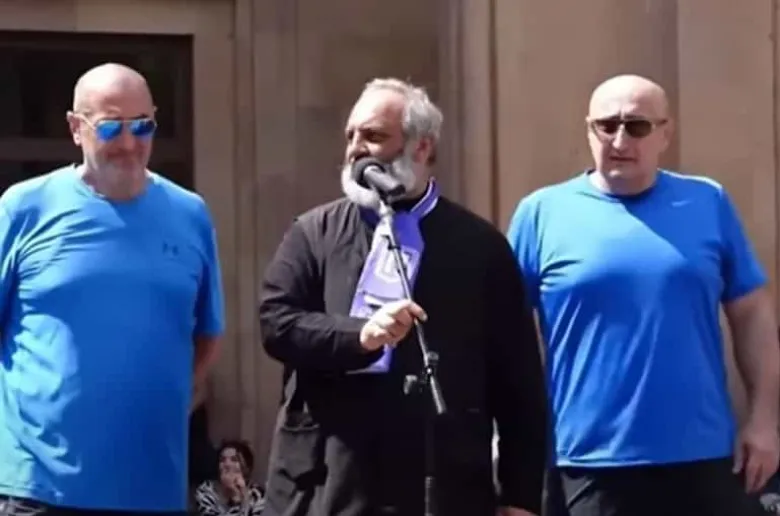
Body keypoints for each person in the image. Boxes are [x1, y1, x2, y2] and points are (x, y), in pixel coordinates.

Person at [258, 77, 548, 516]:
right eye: (351, 136)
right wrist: (359, 335)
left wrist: (520, 497)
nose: (356, 149)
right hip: (327, 482)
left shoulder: (480, 247)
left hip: (443, 486)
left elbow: (518, 381)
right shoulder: (314, 232)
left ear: (422, 148)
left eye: (373, 136)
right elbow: (277, 322)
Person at [507, 74, 780, 516]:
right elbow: (503, 337)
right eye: (606, 125)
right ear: (588, 130)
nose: (620, 141)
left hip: (701, 458)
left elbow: (751, 313)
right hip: (587, 462)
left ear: (665, 134)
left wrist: (764, 422)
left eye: (637, 126)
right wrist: (511, 452)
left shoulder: (707, 202)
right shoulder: (541, 213)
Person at [0, 63, 225, 515]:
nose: (128, 143)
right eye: (110, 127)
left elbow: (207, 336)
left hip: (152, 486)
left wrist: (168, 399)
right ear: (75, 128)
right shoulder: (23, 208)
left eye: (142, 126)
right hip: (38, 488)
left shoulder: (190, 214)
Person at [194, 440, 266, 516]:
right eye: (222, 460)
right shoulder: (206, 490)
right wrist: (235, 499)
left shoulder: (257, 494)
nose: (227, 464)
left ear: (247, 467)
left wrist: (242, 497)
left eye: (234, 460)